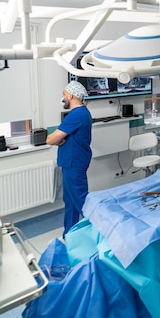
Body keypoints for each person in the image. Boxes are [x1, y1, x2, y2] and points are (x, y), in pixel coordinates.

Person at [46, 81, 93, 237]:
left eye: (64, 94)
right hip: (72, 162)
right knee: (71, 202)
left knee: (81, 201)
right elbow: (59, 138)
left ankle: (100, 233)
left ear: (71, 95)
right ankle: (70, 234)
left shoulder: (76, 115)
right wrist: (60, 139)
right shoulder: (81, 113)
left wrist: (58, 139)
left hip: (74, 163)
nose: (63, 98)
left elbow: (50, 140)